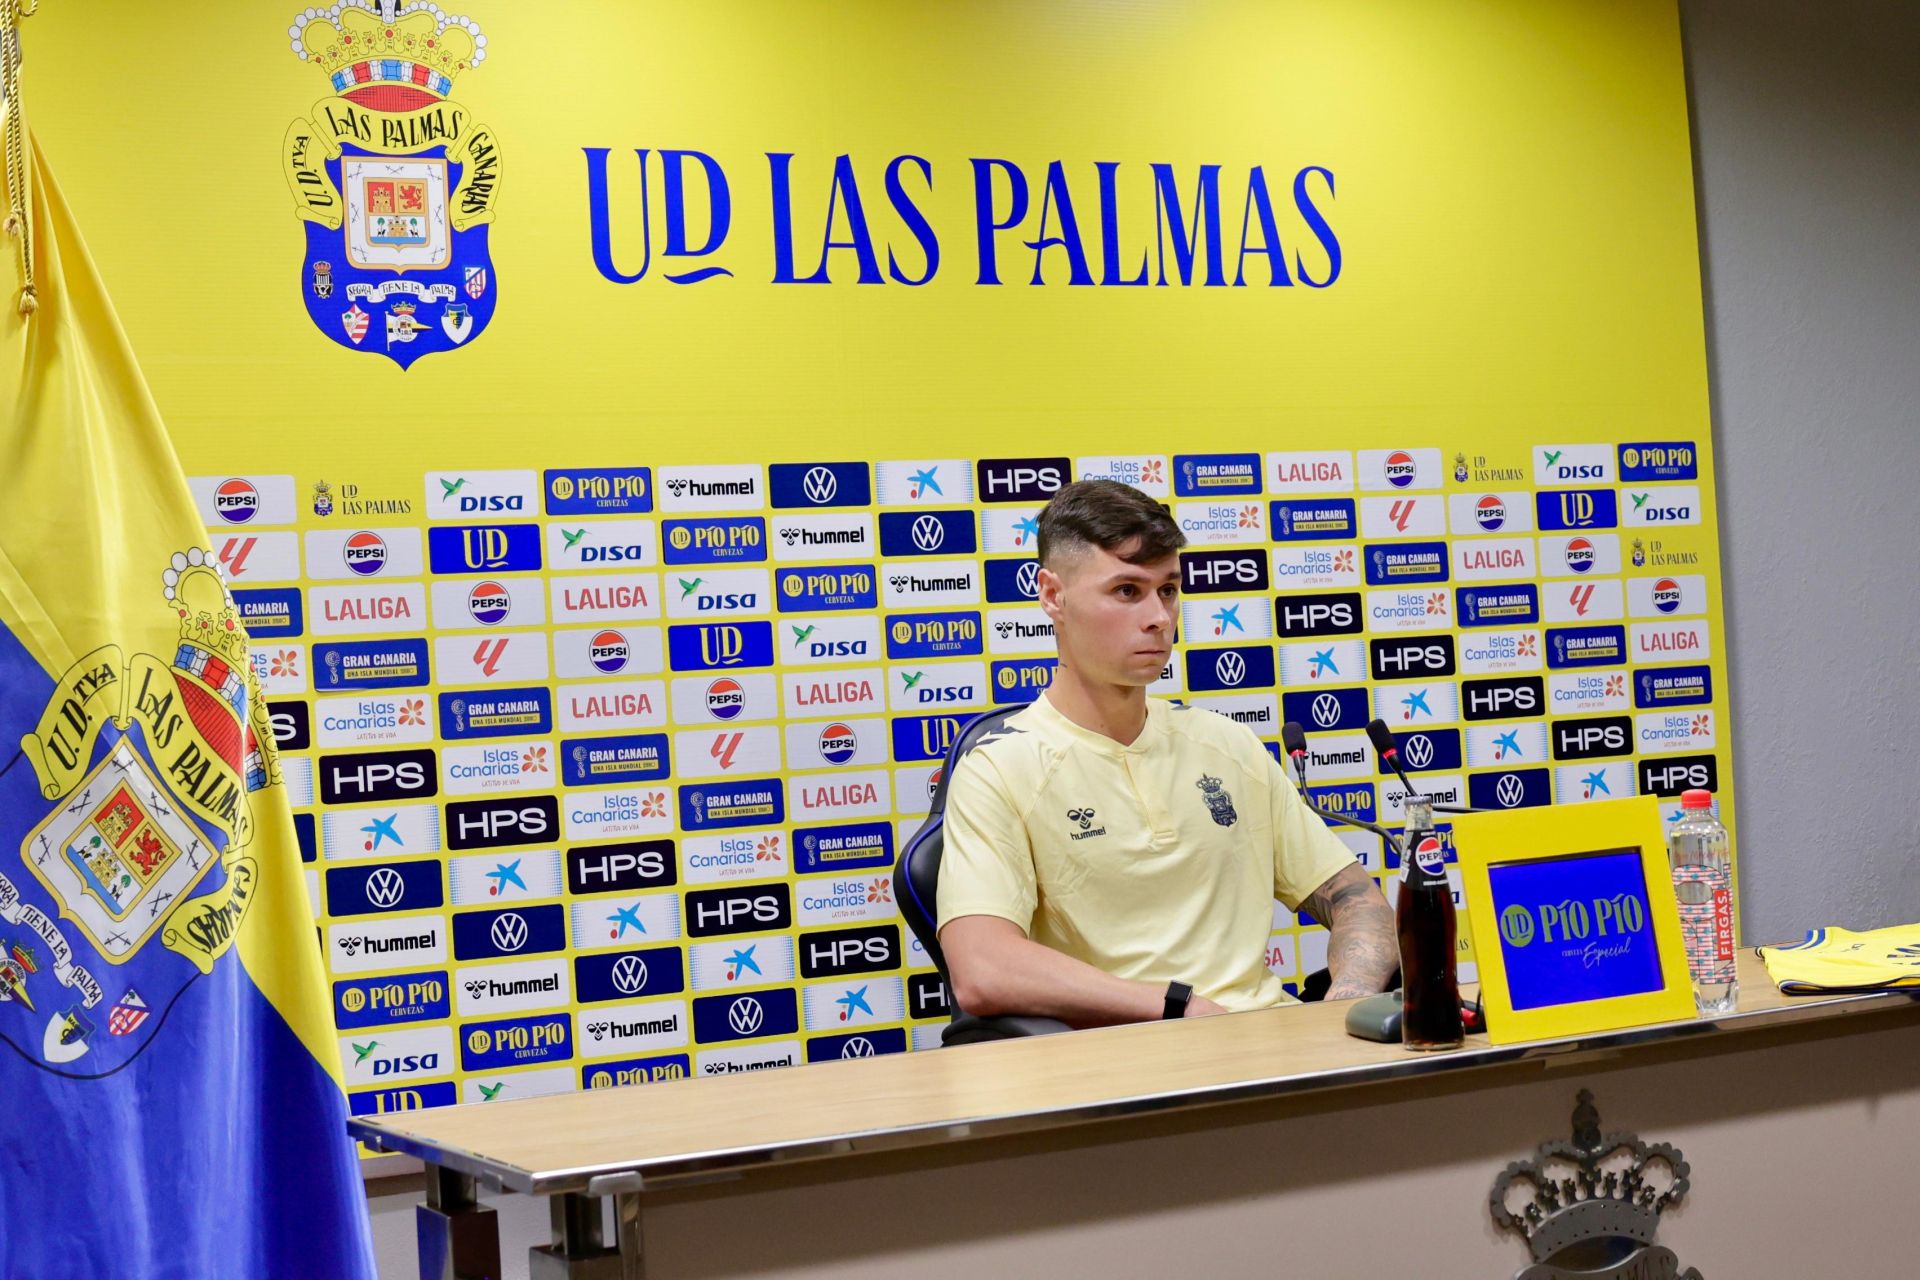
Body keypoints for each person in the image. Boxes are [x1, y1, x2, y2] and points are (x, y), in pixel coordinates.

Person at [937, 479, 1397, 1024]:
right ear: (1053, 596)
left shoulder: (1227, 744)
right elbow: (983, 969)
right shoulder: (999, 767)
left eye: (1169, 590)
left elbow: (1355, 900)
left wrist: (1347, 1004)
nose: (1158, 616)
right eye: (1127, 591)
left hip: (1274, 1045)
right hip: (1130, 1064)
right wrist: (1180, 1007)